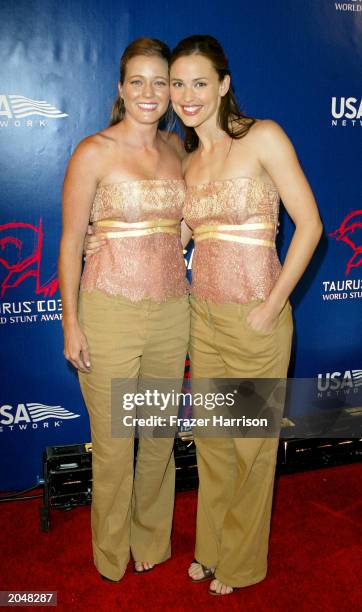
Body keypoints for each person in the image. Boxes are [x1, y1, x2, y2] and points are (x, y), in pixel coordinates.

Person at [168, 35, 323, 596]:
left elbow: (310, 226)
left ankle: (240, 563)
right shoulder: (187, 160)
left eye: (200, 83)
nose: (187, 96)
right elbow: (181, 236)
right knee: (211, 442)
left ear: (224, 85)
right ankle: (210, 548)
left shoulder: (263, 137)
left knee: (251, 448)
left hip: (256, 317)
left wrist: (273, 304)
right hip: (202, 319)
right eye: (178, 84)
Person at [58, 37, 190, 583]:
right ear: (120, 88)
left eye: (161, 82)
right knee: (114, 447)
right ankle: (110, 552)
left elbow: (188, 221)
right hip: (108, 312)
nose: (149, 92)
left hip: (170, 313)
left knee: (158, 437)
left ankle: (150, 540)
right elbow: (69, 242)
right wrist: (71, 321)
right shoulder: (93, 151)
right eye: (138, 81)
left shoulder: (179, 150)